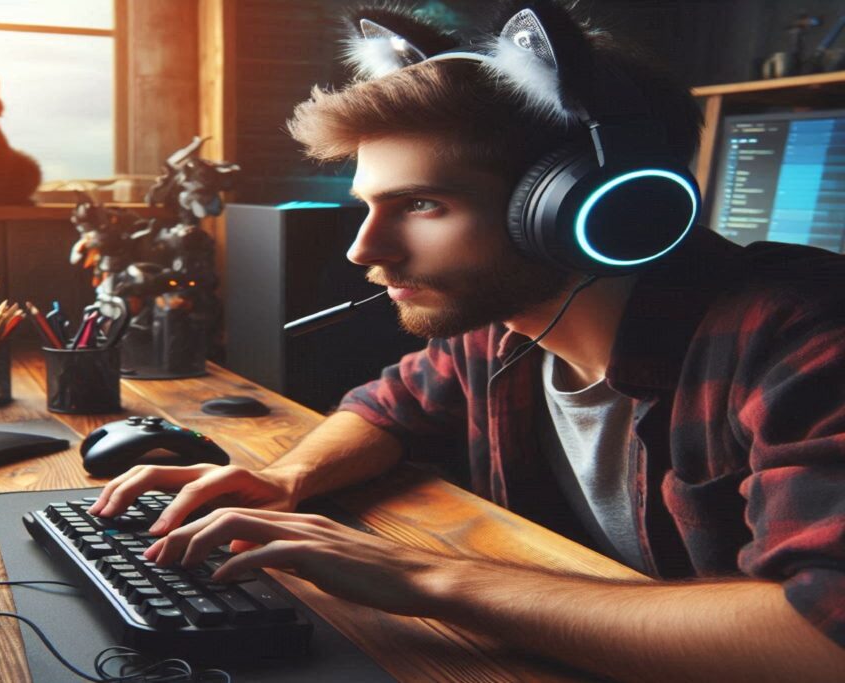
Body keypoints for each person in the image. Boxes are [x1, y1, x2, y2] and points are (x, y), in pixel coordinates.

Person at [90, 2, 845, 680]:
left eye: (421, 203)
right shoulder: (503, 325)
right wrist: (287, 479)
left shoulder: (803, 336)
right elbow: (389, 408)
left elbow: (820, 639)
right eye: (367, 205)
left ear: (579, 206)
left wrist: (425, 578)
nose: (362, 248)